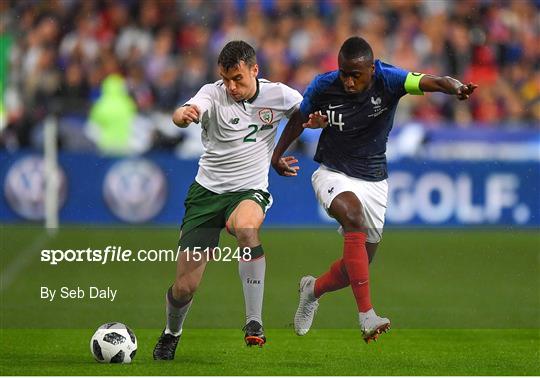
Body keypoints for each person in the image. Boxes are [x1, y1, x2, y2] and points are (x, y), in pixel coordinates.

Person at [271, 36, 477, 343]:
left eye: (356, 74)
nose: (348, 81)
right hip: (333, 173)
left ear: (371, 68)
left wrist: (455, 87)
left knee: (357, 266)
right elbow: (300, 118)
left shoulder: (390, 79)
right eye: (344, 73)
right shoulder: (323, 85)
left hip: (374, 182)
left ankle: (311, 290)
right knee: (352, 215)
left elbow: (431, 81)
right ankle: (367, 316)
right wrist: (276, 156)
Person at [153, 40, 303, 359]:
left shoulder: (279, 95)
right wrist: (184, 115)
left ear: (254, 70)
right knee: (184, 289)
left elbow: (304, 113)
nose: (231, 87)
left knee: (248, 229)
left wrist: (278, 155)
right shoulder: (212, 93)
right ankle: (172, 332)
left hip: (249, 191)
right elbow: (181, 115)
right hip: (206, 195)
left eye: (238, 79)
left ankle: (254, 322)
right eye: (225, 79)